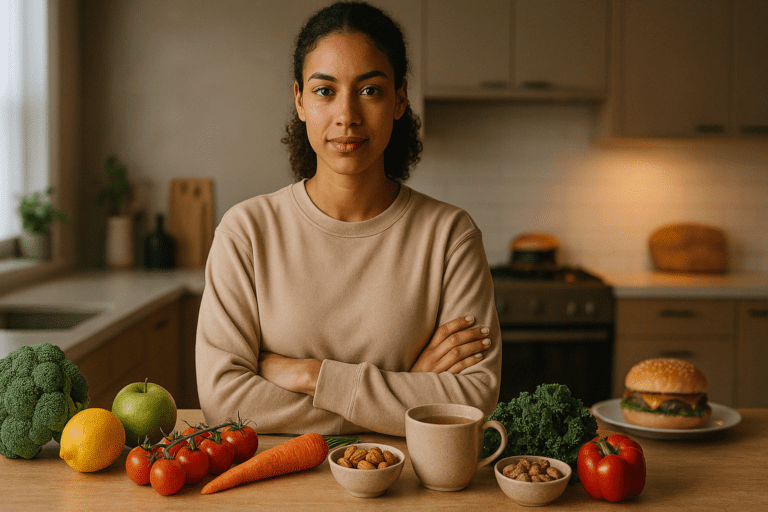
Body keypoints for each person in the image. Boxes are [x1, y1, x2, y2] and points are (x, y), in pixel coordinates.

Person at [196, 1, 501, 437]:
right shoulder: (246, 233)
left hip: (409, 492)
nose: (347, 116)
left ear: (399, 99)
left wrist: (311, 376)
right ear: (299, 100)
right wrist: (409, 394)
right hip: (278, 494)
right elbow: (222, 400)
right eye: (325, 91)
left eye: (370, 90)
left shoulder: (450, 236)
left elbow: (473, 398)